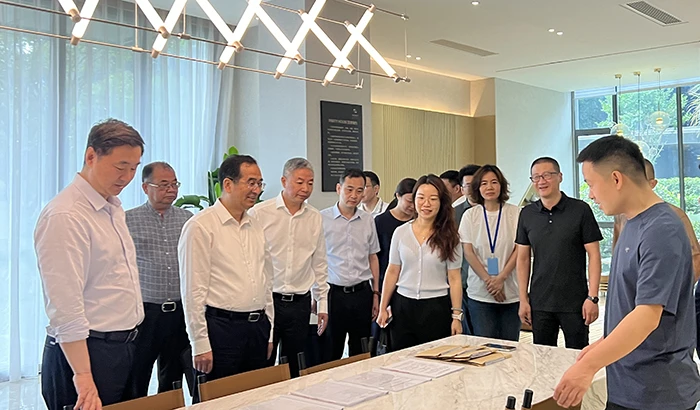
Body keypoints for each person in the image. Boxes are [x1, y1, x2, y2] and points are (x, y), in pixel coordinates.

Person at [553, 135, 700, 410]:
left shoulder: (661, 229)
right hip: (628, 384)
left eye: (591, 184)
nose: (590, 195)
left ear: (616, 179)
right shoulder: (632, 222)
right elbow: (628, 305)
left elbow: (647, 316)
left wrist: (588, 367)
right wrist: (601, 347)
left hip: (657, 393)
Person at [34, 119, 145, 410]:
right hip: (85, 355)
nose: (127, 177)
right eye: (120, 166)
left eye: (134, 168)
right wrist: (83, 375)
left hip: (121, 348)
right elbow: (65, 305)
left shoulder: (112, 207)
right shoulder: (66, 215)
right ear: (91, 156)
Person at [178, 155, 273, 401]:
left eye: (259, 183)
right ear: (228, 184)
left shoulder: (256, 224)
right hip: (221, 330)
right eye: (250, 182)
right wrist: (200, 343)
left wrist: (269, 331)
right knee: (217, 402)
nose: (256, 190)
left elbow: (266, 281)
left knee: (255, 401)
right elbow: (192, 291)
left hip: (257, 328)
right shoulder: (200, 226)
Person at [249, 158, 329, 378]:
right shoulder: (260, 213)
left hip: (300, 303)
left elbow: (319, 262)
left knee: (295, 364)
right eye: (299, 182)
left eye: (310, 183)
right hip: (268, 301)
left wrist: (322, 302)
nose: (306, 188)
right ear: (284, 181)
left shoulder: (314, 217)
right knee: (263, 362)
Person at [516, 157, 602, 349]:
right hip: (540, 302)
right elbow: (522, 260)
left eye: (547, 175)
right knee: (542, 357)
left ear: (560, 177)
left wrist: (592, 297)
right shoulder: (527, 214)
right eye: (536, 177)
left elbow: (594, 255)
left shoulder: (580, 210)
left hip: (575, 301)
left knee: (578, 356)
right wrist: (523, 299)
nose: (541, 181)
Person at [125, 162, 194, 398]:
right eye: (164, 185)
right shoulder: (127, 220)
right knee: (138, 372)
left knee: (173, 374)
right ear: (146, 187)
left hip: (180, 311)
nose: (171, 189)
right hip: (146, 313)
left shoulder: (188, 219)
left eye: (174, 184)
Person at [376, 174, 463, 350]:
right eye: (421, 198)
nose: (426, 204)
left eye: (433, 199)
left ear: (441, 202)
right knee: (401, 358)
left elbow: (454, 278)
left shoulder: (450, 236)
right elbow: (392, 271)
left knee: (434, 359)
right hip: (403, 306)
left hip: (436, 307)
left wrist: (456, 316)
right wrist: (383, 307)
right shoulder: (401, 232)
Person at [320, 168, 380, 359]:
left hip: (362, 293)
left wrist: (376, 293)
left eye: (360, 190)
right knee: (331, 350)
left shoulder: (368, 220)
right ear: (339, 188)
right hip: (333, 293)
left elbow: (373, 257)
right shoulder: (322, 219)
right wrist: (316, 295)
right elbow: (315, 259)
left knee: (361, 350)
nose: (354, 195)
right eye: (349, 189)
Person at [459, 165, 521, 341]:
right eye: (484, 183)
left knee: (510, 346)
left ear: (501, 185)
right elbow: (468, 252)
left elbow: (520, 248)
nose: (489, 187)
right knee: (484, 346)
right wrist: (489, 281)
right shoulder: (470, 215)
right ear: (477, 187)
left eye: (494, 182)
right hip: (480, 294)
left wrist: (501, 278)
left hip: (511, 291)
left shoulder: (515, 212)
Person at [613, 158, 700, 280]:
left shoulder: (675, 215)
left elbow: (695, 257)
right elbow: (617, 256)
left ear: (652, 184)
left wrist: (678, 288)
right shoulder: (622, 216)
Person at [371, 177, 416, 354]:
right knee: (384, 335)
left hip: (409, 285)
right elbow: (376, 257)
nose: (413, 206)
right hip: (387, 283)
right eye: (409, 201)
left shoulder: (418, 223)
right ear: (398, 196)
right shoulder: (381, 222)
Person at [454, 164, 480, 335]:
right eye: (468, 185)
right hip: (462, 280)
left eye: (476, 184)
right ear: (461, 189)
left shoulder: (496, 211)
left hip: (489, 281)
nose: (473, 189)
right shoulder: (453, 214)